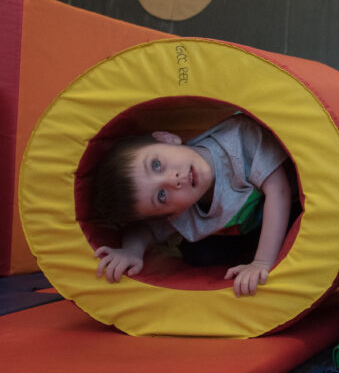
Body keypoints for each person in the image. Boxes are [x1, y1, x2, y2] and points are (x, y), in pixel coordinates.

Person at [90, 114, 292, 297]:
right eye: (161, 195)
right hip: (248, 232)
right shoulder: (180, 214)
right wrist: (131, 251)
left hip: (292, 202)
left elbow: (279, 190)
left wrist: (261, 262)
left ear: (166, 139)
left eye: (156, 165)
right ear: (171, 214)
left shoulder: (240, 139)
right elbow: (145, 230)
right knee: (199, 255)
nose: (173, 180)